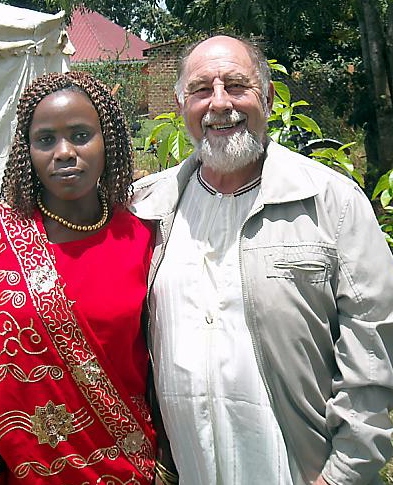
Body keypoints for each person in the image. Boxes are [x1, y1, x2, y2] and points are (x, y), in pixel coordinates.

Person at [130, 35, 393, 485]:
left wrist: (344, 474)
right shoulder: (150, 207)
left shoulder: (332, 203)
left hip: (299, 470)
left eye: (236, 85)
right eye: (200, 90)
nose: (218, 104)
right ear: (180, 106)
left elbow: (374, 350)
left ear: (268, 98)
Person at [0, 71, 156, 484]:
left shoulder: (143, 236)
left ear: (109, 142)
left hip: (123, 465)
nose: (64, 152)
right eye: (46, 139)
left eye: (81, 135)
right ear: (26, 150)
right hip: (16, 470)